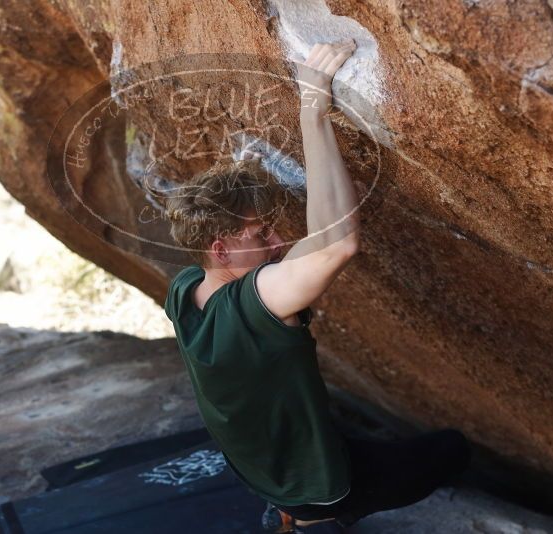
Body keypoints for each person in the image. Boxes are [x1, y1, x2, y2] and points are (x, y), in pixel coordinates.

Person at [162, 41, 471, 530]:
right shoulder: (256, 302)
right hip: (323, 490)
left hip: (263, 471)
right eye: (261, 235)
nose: (280, 241)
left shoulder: (184, 291)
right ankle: (308, 521)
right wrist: (313, 110)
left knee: (341, 433)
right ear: (220, 250)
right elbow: (336, 245)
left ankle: (288, 508)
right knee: (452, 449)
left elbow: (318, 243)